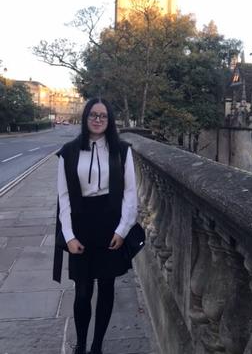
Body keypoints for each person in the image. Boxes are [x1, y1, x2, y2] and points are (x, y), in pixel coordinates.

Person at [53, 97, 138, 354]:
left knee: (107, 287)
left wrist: (122, 230)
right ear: (86, 118)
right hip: (81, 225)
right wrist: (68, 236)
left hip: (110, 225)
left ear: (109, 120)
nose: (98, 120)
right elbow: (64, 197)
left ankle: (97, 346)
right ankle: (81, 344)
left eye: (103, 115)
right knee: (82, 291)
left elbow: (131, 194)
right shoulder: (68, 151)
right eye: (93, 115)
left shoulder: (122, 150)